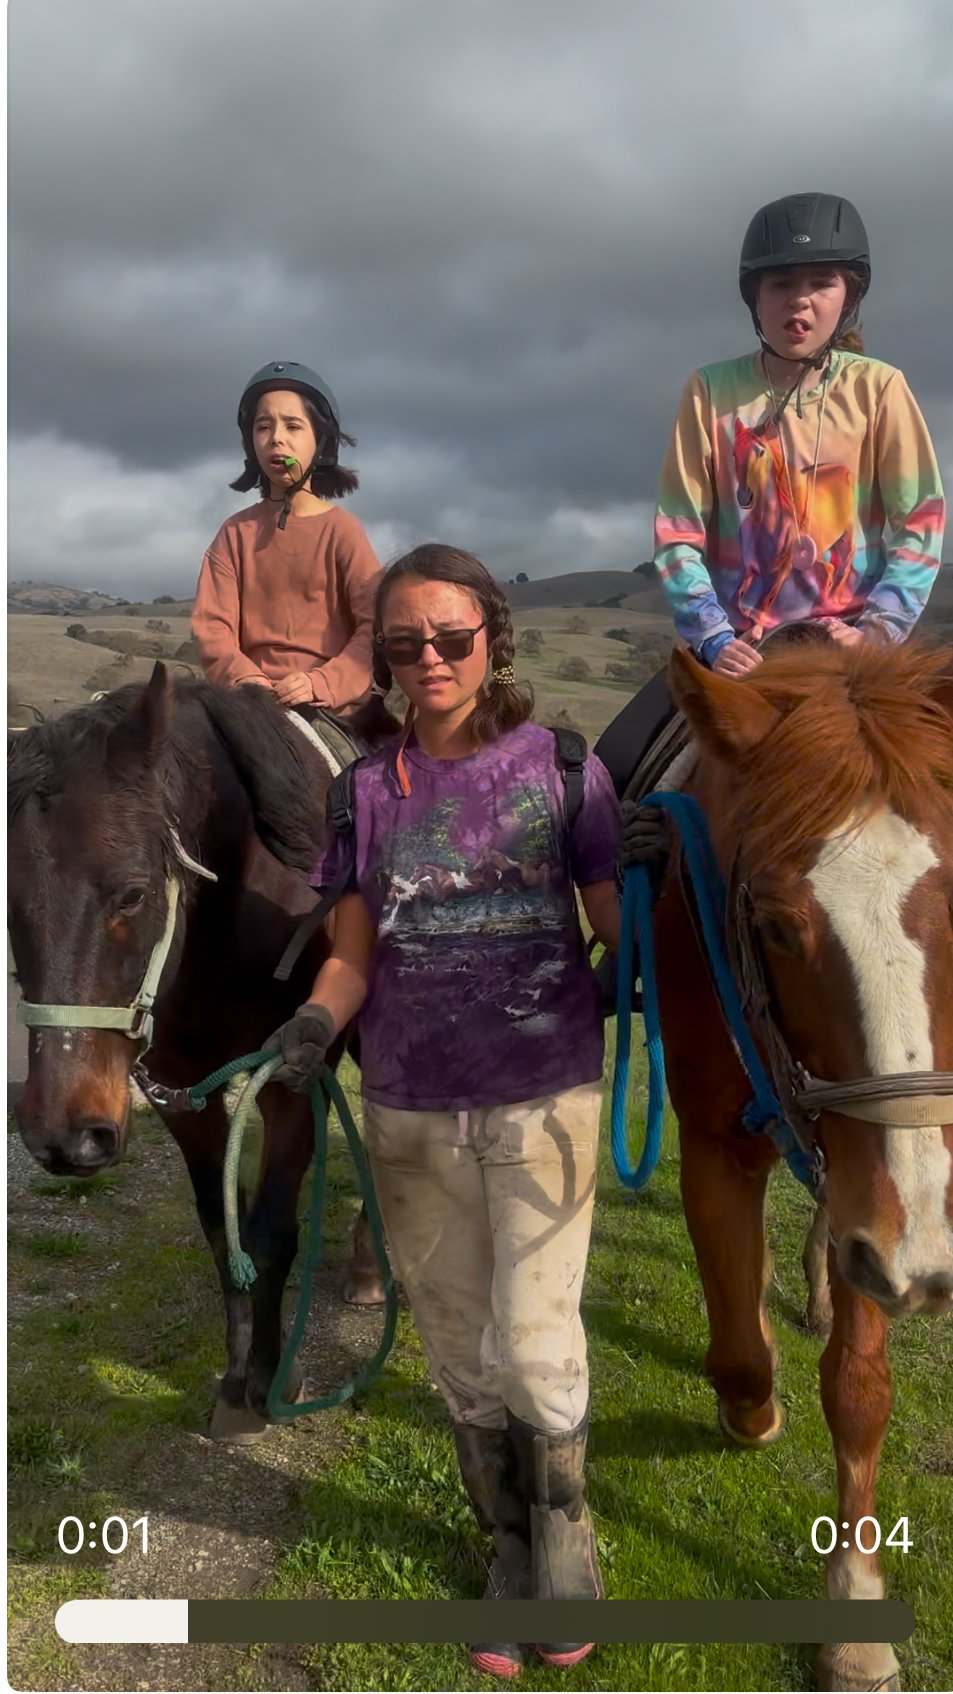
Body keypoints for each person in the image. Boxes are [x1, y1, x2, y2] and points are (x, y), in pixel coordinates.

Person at [265, 545, 622, 1678]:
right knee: (463, 1351)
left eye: (451, 637)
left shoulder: (562, 768)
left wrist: (647, 893)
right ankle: (507, 1546)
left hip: (541, 1099)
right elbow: (352, 951)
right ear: (382, 654)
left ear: (493, 637)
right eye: (404, 642)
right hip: (411, 1105)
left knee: (532, 1335)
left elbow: (616, 936)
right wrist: (317, 1024)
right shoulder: (363, 791)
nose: (429, 659)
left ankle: (567, 1536)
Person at [607, 190, 946, 864]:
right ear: (752, 298)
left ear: (847, 295)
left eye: (820, 283)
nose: (800, 301)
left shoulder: (879, 389)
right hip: (744, 654)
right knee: (612, 772)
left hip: (854, 654)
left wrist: (875, 633)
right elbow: (678, 530)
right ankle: (623, 946)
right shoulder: (709, 391)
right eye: (780, 283)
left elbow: (919, 521)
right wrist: (711, 637)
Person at [192, 361, 382, 718]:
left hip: (331, 707)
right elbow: (212, 627)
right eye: (263, 426)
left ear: (321, 440)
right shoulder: (233, 534)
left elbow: (375, 626)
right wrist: (246, 679)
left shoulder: (342, 530)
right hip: (249, 705)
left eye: (293, 426)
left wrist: (321, 683)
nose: (276, 437)